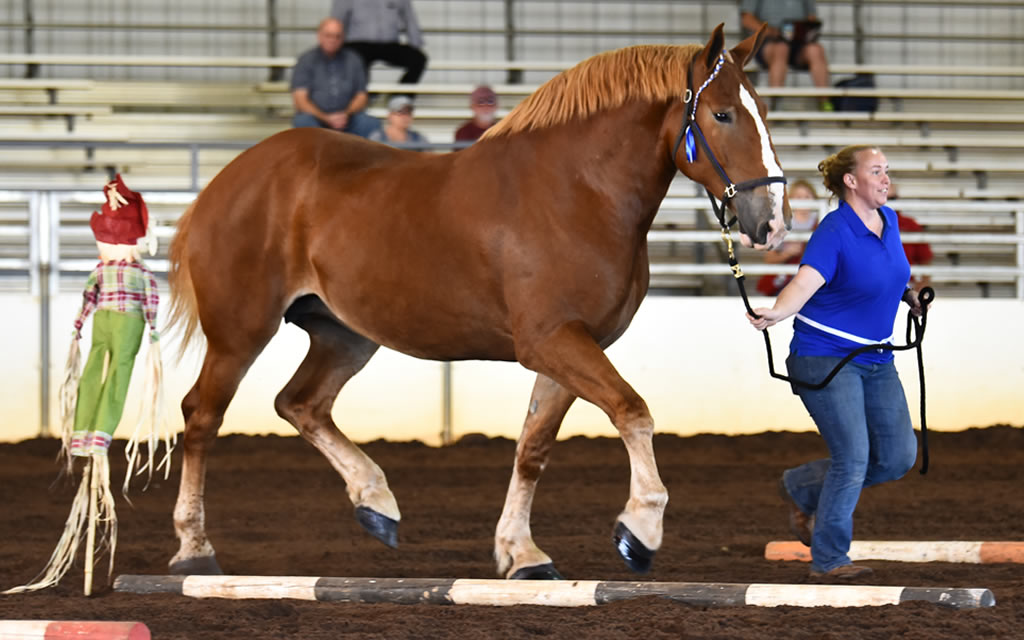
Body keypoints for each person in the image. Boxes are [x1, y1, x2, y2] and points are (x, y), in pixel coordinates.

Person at [746, 145, 925, 581]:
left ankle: (800, 487)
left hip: (875, 357)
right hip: (824, 357)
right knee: (854, 456)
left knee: (899, 456)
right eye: (877, 171)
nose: (886, 179)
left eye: (887, 171)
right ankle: (828, 559)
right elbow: (806, 281)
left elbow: (886, 272)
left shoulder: (890, 221)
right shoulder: (834, 229)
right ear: (851, 181)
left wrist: (907, 296)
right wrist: (777, 311)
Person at [5, 175, 167, 595]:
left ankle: (98, 435)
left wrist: (151, 333)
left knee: (116, 373)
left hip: (125, 325)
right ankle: (85, 434)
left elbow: (150, 302)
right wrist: (79, 326)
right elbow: (90, 298)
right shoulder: (106, 271)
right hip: (107, 326)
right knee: (98, 370)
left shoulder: (137, 273)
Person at [290, 17, 380, 138]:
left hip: (348, 118)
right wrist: (325, 118)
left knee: (370, 123)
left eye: (337, 36)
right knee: (302, 121)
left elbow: (361, 96)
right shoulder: (306, 61)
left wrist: (345, 114)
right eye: (329, 35)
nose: (333, 40)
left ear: (343, 38)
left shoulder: (354, 60)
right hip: (316, 119)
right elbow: (300, 101)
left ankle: (360, 157)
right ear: (319, 36)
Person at [740, 0, 832, 110]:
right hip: (768, 42)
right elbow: (747, 19)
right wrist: (771, 31)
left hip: (798, 43)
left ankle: (825, 102)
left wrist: (807, 30)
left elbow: (811, 17)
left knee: (816, 50)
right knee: (781, 49)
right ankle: (776, 103)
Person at [330, 0, 428, 93]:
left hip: (389, 44)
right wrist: (334, 47)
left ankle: (400, 99)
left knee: (418, 59)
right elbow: (337, 21)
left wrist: (415, 43)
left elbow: (409, 17)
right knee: (357, 60)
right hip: (358, 43)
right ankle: (362, 99)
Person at [756, 179, 820, 296]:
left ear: (814, 199)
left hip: (811, 285)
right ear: (790, 200)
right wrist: (787, 253)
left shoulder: (821, 223)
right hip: (785, 284)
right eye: (799, 197)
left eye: (807, 197)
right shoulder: (782, 224)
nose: (803, 201)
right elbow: (769, 258)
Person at [888, 184, 935, 289]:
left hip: (906, 286)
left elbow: (925, 258)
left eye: (891, 199)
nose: (888, 203)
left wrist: (923, 283)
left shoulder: (910, 224)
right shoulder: (867, 223)